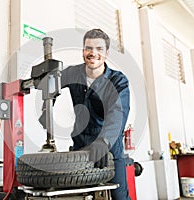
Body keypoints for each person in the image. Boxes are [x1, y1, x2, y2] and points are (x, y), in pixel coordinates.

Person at [40, 29, 130, 200]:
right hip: (81, 150)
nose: (93, 53)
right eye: (88, 48)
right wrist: (47, 107)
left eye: (99, 49)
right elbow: (51, 86)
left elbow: (118, 113)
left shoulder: (118, 80)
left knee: (118, 196)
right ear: (83, 50)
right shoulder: (73, 73)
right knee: (81, 196)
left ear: (106, 53)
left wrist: (104, 142)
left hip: (108, 151)